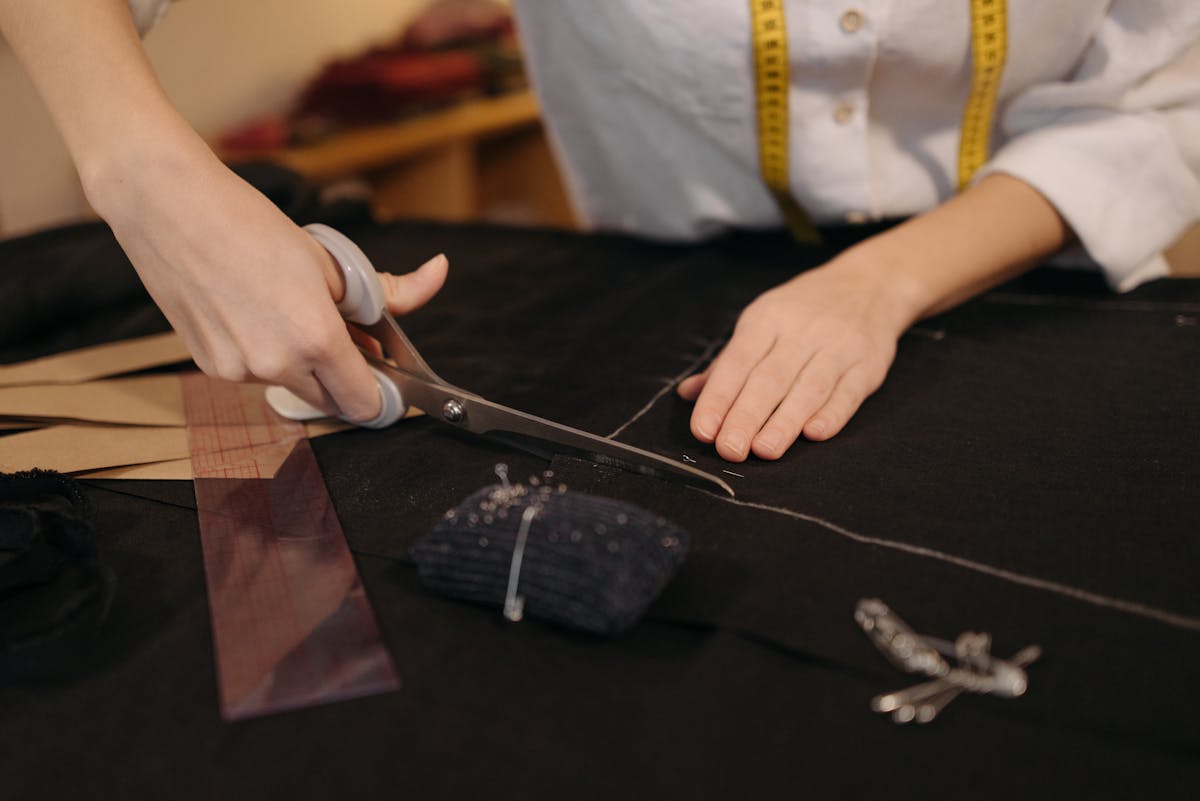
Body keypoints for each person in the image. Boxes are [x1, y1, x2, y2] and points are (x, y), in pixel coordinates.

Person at [2, 1, 1197, 464]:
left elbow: (1164, 97)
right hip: (657, 291)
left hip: (1033, 272)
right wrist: (148, 174)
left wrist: (881, 284)